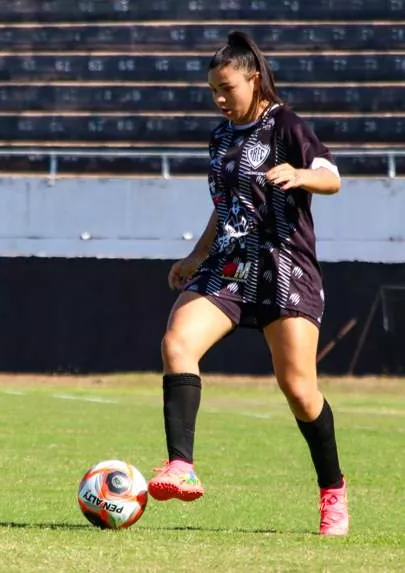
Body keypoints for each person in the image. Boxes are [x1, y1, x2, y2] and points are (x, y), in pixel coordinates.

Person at [146, 31, 349, 536]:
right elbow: (225, 207)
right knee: (177, 342)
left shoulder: (286, 124)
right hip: (230, 265)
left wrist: (301, 177)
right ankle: (181, 466)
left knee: (299, 390)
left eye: (227, 87)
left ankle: (333, 494)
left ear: (253, 79)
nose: (219, 99)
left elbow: (332, 176)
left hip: (284, 266)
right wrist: (196, 256)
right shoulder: (220, 137)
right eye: (212, 90)